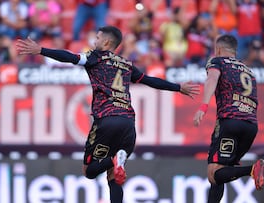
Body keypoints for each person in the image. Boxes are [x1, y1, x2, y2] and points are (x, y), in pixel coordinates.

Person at [16, 26, 199, 203]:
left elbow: (70, 57)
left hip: (106, 120)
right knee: (114, 175)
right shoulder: (127, 64)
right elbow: (149, 80)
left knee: (89, 171)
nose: (94, 40)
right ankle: (116, 159)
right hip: (128, 123)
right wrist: (178, 87)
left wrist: (41, 50)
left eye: (97, 37)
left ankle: (113, 158)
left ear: (106, 42)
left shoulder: (96, 57)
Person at [193, 34, 264, 203]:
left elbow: (212, 79)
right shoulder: (249, 70)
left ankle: (251, 169)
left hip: (230, 122)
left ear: (218, 49)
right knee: (222, 171)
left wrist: (203, 106)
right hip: (251, 126)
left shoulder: (217, 61)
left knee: (214, 174)